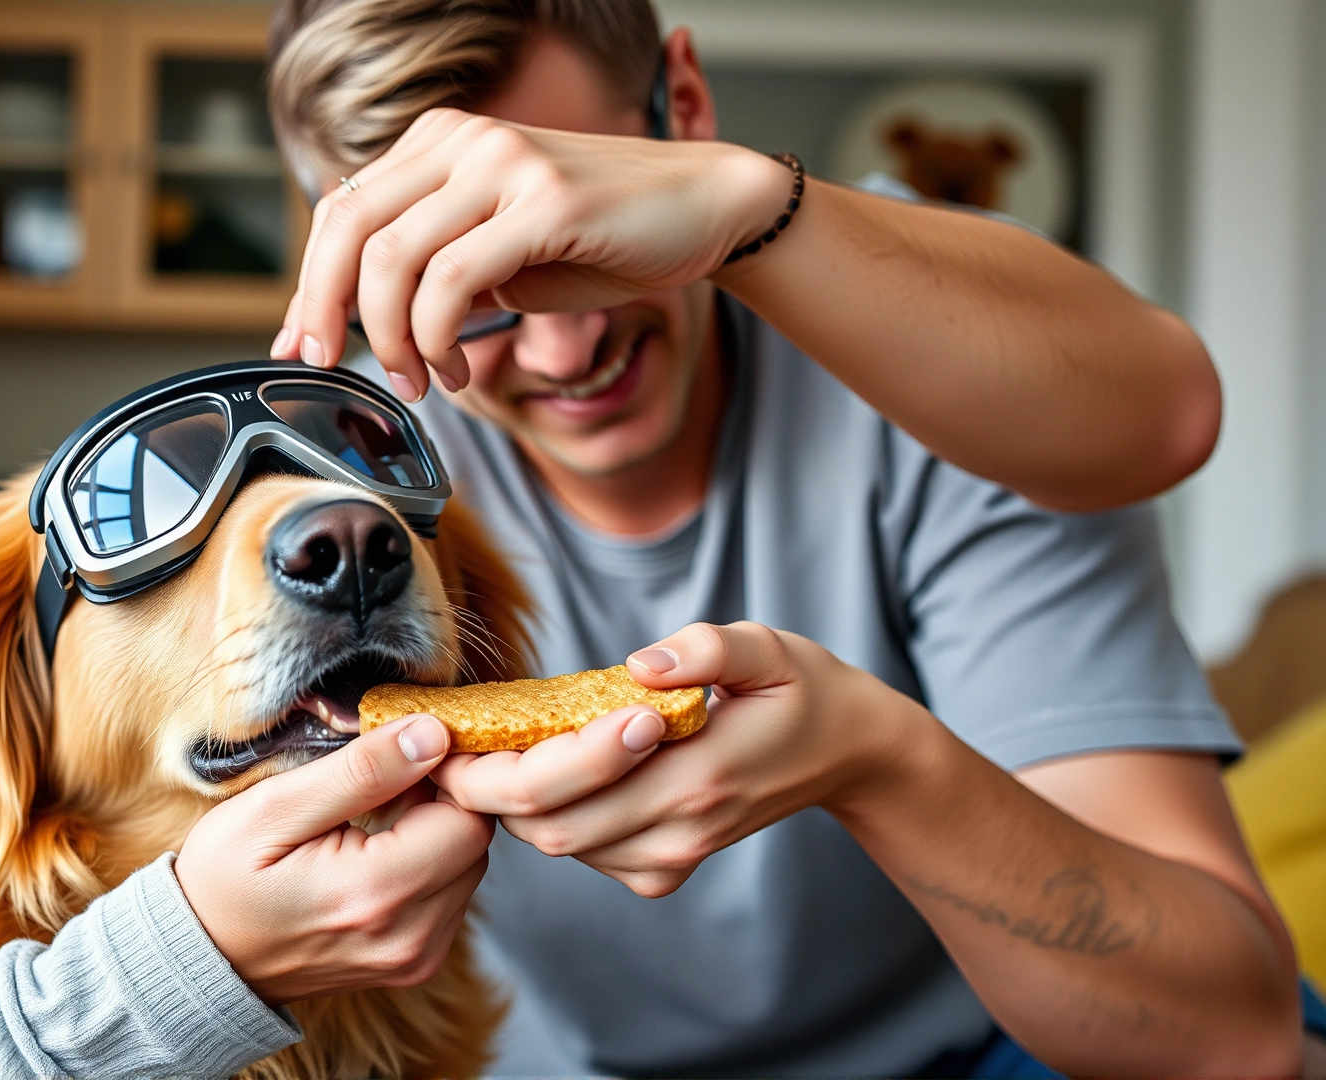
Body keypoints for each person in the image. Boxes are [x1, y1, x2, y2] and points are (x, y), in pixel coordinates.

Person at [250, 0, 1314, 1074]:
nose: (566, 347)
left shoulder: (933, 336)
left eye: (580, 236)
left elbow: (1236, 1036)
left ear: (687, 106)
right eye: (468, 291)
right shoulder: (337, 499)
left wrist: (876, 763)